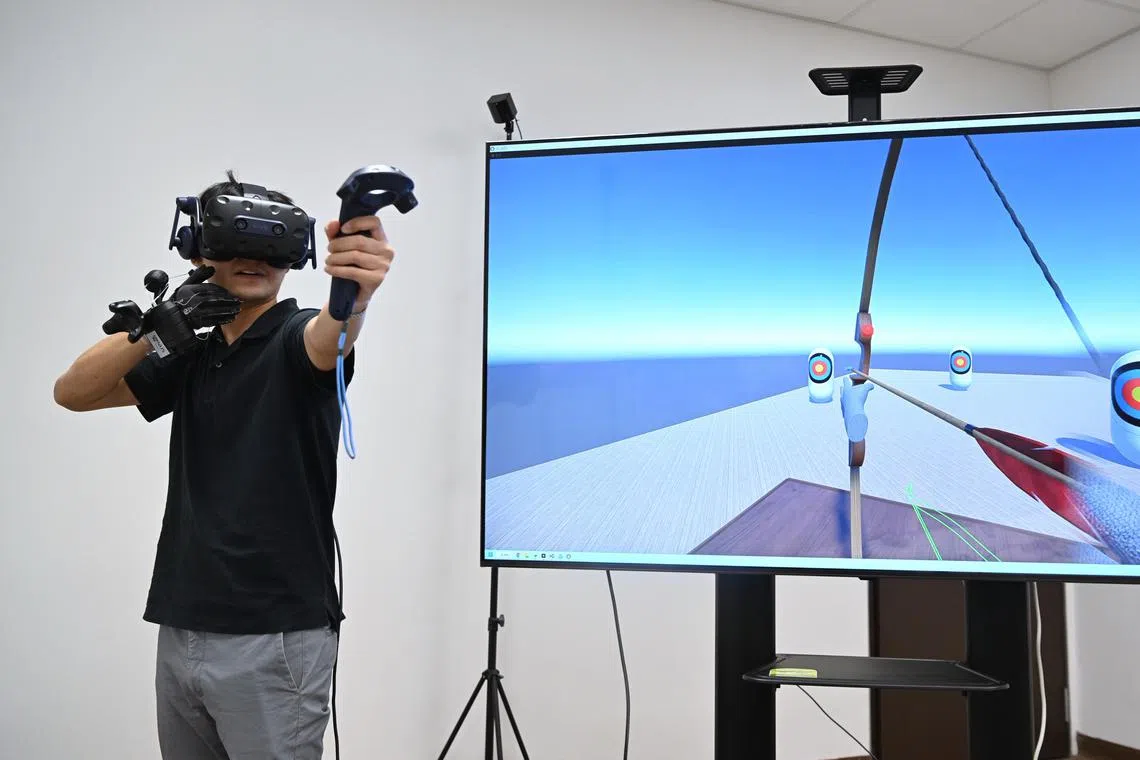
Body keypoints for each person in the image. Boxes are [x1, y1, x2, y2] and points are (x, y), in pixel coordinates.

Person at [52, 171, 395, 759]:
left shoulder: (295, 337)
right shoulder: (193, 350)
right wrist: (163, 325)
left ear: (295, 251)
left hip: (275, 636)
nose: (252, 258)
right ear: (199, 249)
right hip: (182, 621)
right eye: (234, 240)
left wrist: (354, 296)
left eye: (269, 243)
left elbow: (331, 334)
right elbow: (74, 392)